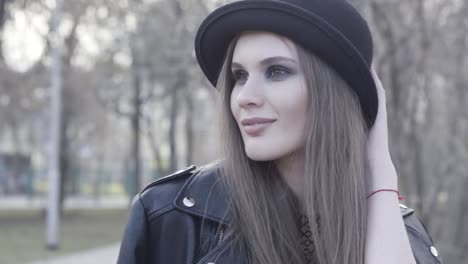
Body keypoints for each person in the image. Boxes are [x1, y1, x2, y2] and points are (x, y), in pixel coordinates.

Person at [117, 0, 442, 263]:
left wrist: (382, 176)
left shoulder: (396, 228)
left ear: (335, 94)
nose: (244, 97)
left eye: (276, 71)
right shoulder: (168, 216)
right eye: (239, 75)